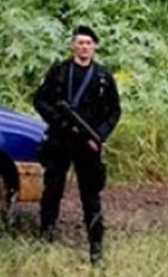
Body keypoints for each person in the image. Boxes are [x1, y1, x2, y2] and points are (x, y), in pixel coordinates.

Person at [33, 25, 121, 264]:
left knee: (91, 196)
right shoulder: (59, 71)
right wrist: (61, 122)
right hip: (60, 141)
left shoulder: (103, 77)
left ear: (95, 47)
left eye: (88, 43)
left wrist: (99, 136)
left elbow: (114, 111)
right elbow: (39, 100)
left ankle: (95, 249)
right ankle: (46, 237)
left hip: (87, 145)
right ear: (73, 45)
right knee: (52, 190)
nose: (84, 47)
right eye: (80, 42)